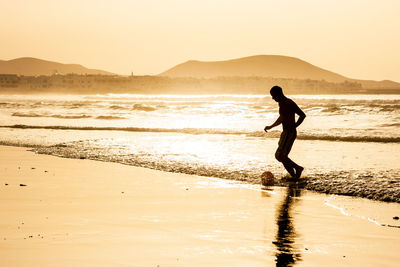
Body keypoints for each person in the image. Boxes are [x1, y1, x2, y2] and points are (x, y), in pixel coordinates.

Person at [264, 86, 306, 179]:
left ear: (279, 94)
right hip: (286, 133)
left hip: (289, 133)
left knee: (280, 156)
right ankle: (294, 177)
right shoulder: (285, 103)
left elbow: (301, 115)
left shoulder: (286, 103)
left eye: (274, 96)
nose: (273, 98)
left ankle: (298, 168)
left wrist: (294, 126)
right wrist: (271, 126)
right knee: (281, 156)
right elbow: (284, 117)